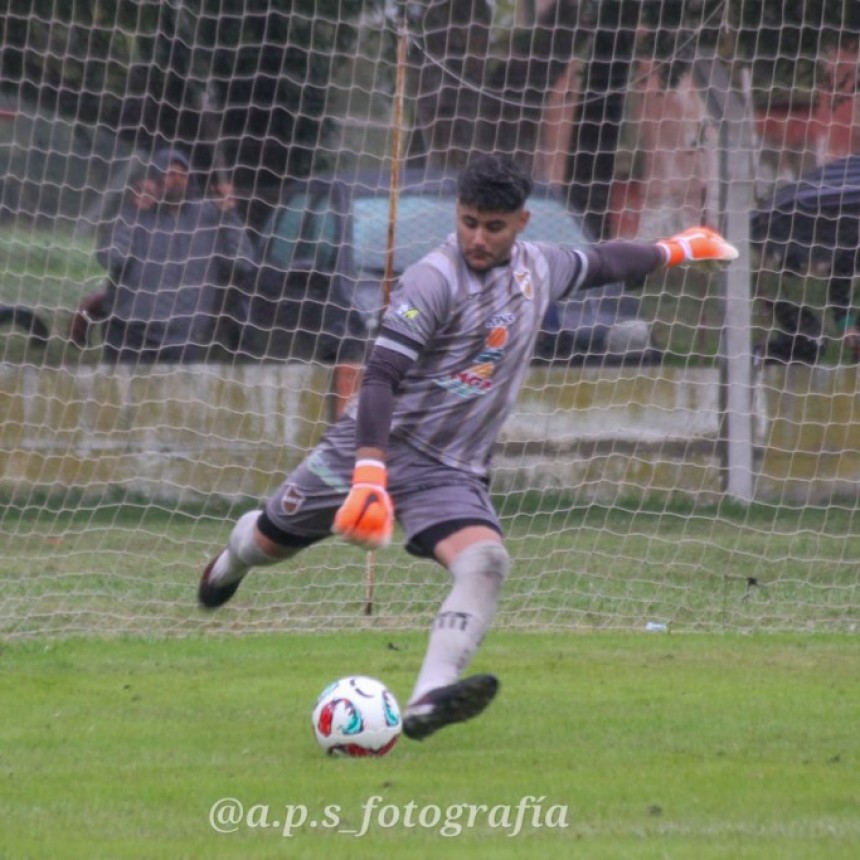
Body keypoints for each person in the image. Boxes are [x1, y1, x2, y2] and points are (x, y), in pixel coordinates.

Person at [198, 154, 738, 741]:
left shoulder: (541, 269)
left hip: (446, 470)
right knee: (267, 542)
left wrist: (679, 248)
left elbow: (606, 260)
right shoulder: (431, 279)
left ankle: (429, 696)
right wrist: (368, 475)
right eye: (469, 222)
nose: (478, 238)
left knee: (486, 561)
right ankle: (229, 564)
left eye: (494, 226)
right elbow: (379, 376)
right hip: (366, 449)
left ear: (522, 222)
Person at [86, 148, 257, 363]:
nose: (177, 179)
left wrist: (230, 215)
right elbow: (109, 257)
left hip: (182, 340)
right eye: (169, 173)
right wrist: (132, 212)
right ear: (155, 179)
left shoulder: (210, 215)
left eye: (182, 174)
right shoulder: (137, 214)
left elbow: (243, 262)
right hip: (129, 336)